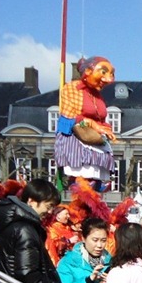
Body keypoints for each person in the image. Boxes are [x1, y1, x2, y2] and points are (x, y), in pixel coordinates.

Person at [54, 56, 117, 189]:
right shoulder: (73, 89)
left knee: (96, 179)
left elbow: (101, 118)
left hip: (96, 141)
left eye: (111, 74)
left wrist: (105, 128)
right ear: (88, 71)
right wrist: (92, 124)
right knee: (83, 178)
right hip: (79, 139)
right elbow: (69, 118)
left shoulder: (97, 95)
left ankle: (94, 190)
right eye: (104, 72)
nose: (108, 79)